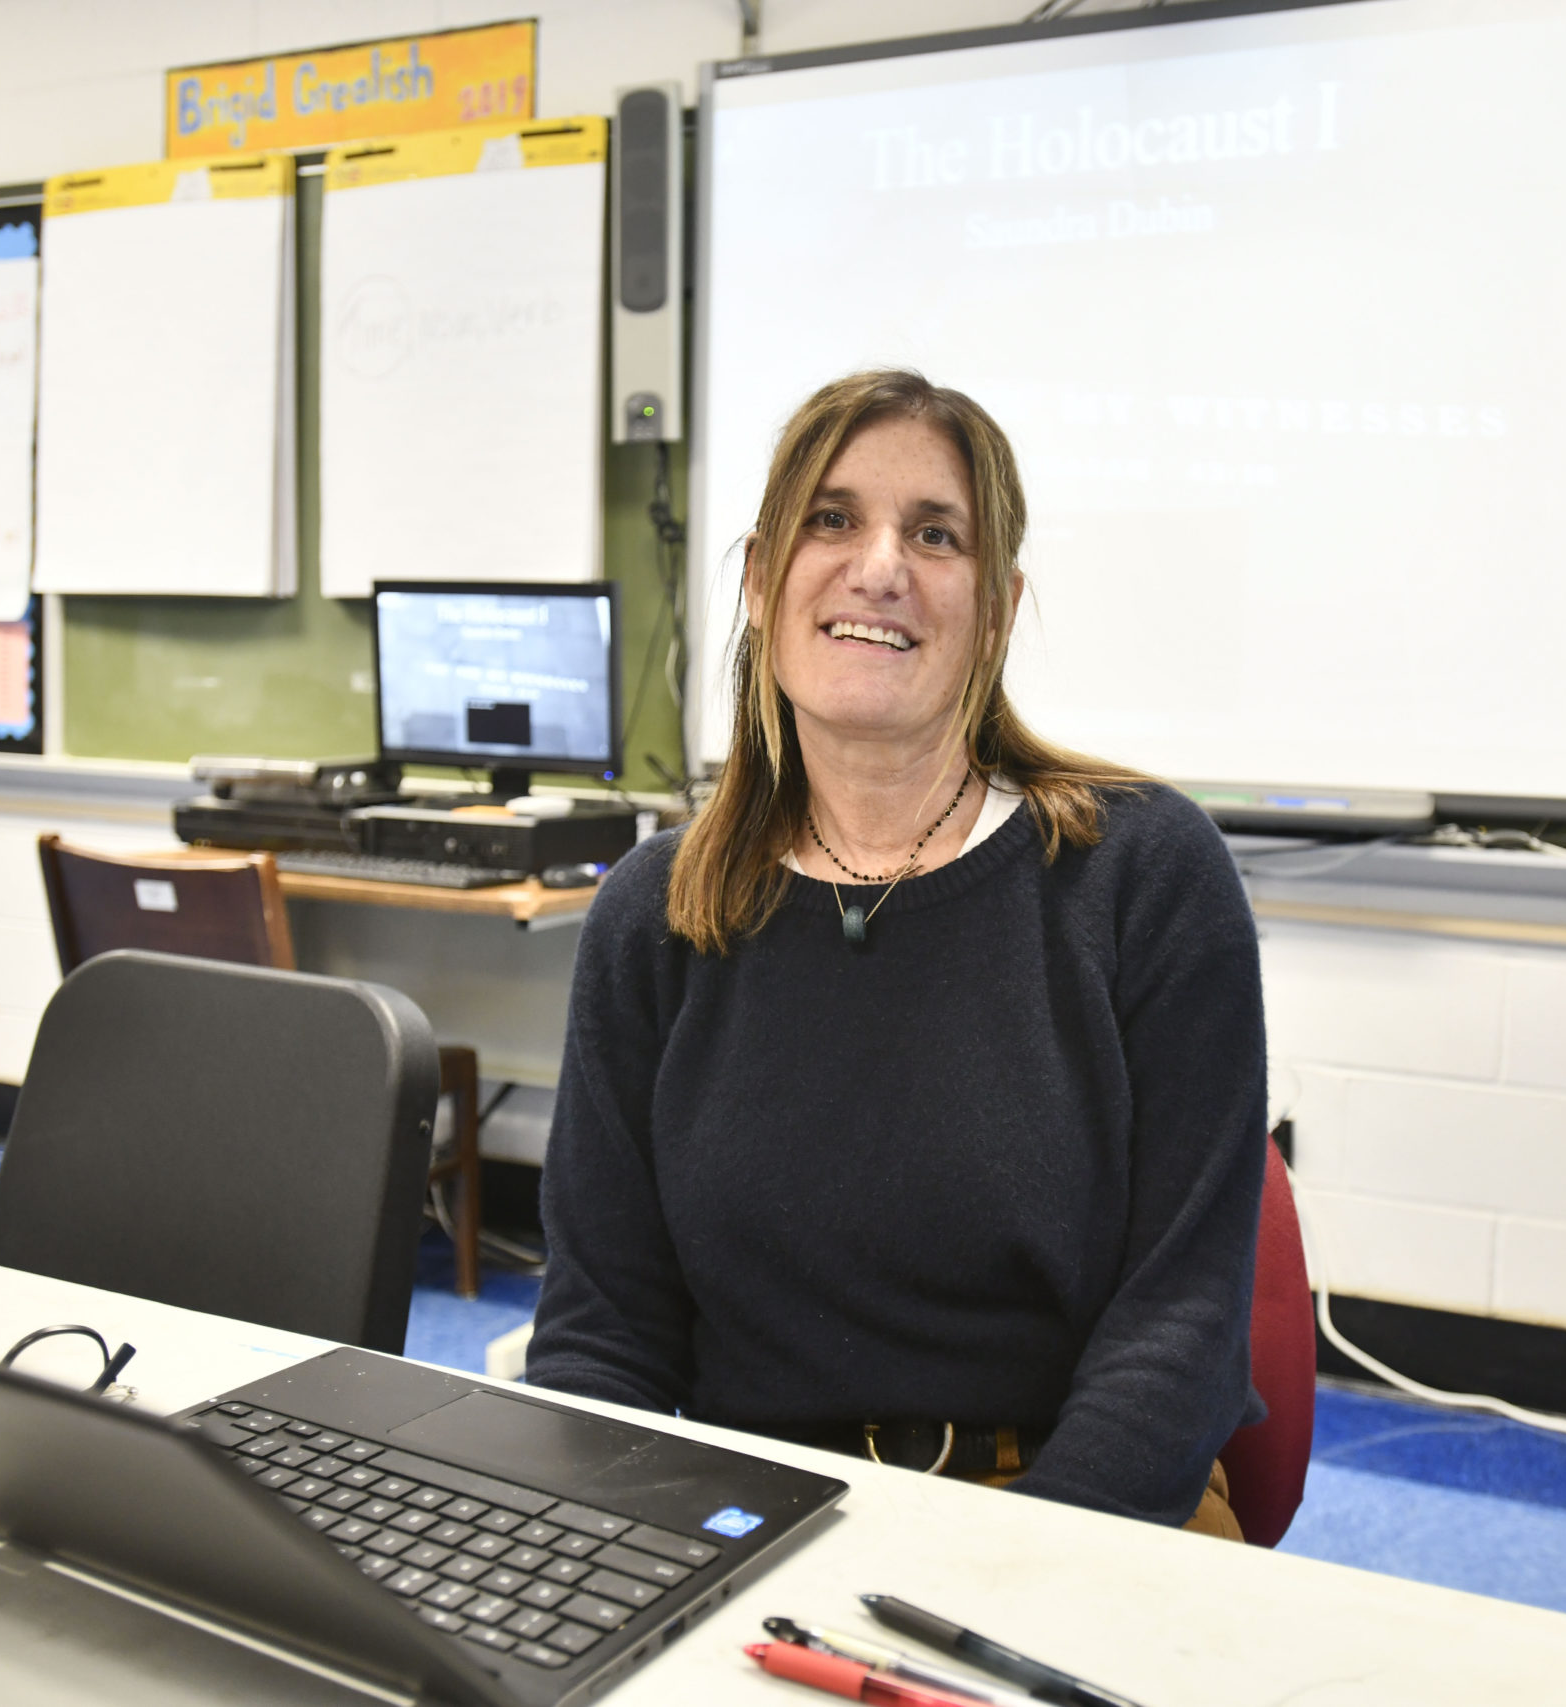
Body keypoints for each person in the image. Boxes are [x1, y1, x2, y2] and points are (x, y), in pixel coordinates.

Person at [525, 369, 1267, 1537]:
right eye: (832, 518)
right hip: (742, 1519)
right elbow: (601, 1330)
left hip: (1068, 1509)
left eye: (936, 534)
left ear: (998, 608)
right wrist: (580, 1557)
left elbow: (1179, 1328)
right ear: (764, 581)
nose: (880, 566)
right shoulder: (655, 912)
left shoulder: (1142, 875)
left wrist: (1024, 1570)